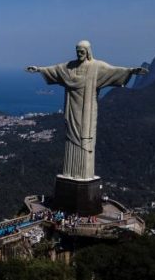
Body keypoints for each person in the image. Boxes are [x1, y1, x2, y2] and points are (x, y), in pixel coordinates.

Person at [27, 41, 148, 180]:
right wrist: (38, 69)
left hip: (87, 112)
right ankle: (69, 173)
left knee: (85, 138)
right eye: (77, 51)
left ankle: (83, 174)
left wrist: (132, 71)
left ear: (88, 52)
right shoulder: (69, 67)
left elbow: (114, 71)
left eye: (82, 51)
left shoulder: (96, 67)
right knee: (71, 138)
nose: (79, 54)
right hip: (72, 109)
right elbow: (55, 70)